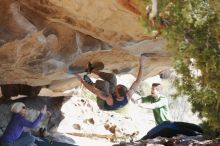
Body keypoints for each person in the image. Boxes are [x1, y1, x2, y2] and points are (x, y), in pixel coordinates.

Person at [75, 55, 146, 111]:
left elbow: (94, 91)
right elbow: (138, 81)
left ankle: (91, 83)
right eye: (117, 86)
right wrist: (142, 65)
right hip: (114, 97)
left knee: (104, 85)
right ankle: (91, 70)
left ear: (117, 95)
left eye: (116, 89)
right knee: (112, 78)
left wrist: (81, 80)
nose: (115, 87)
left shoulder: (110, 99)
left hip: (103, 104)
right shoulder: (128, 95)